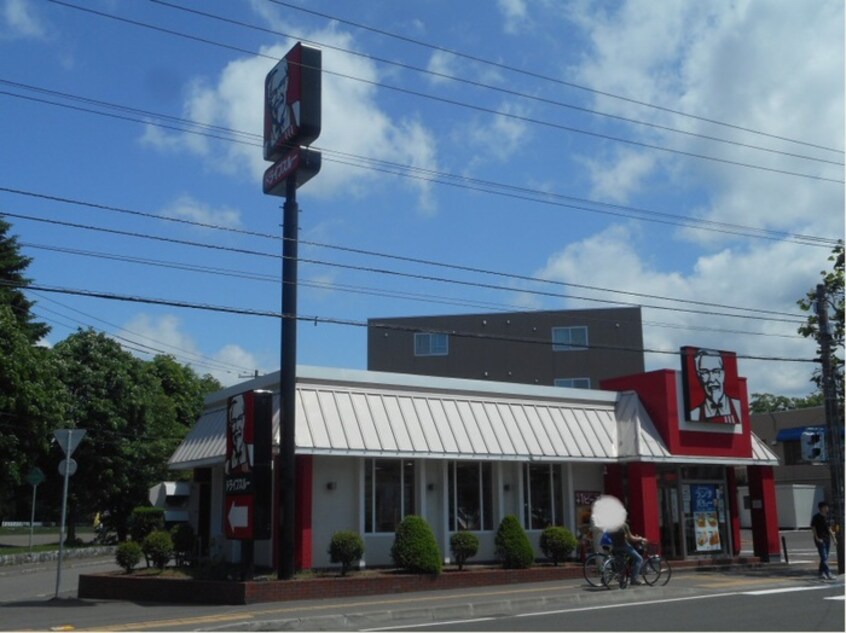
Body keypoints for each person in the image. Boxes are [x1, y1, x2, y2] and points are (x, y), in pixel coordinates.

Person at [689, 349, 741, 424]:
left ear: (723, 373)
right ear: (699, 375)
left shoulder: (738, 408)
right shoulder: (694, 415)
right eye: (705, 372)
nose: (712, 379)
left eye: (716, 371)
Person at [226, 394, 251, 475]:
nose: (237, 427)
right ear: (230, 425)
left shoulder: (251, 456)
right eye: (233, 421)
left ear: (244, 419)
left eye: (240, 418)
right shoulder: (228, 465)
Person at [811, 501, 835, 580]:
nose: (827, 508)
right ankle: (828, 573)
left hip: (827, 539)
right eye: (826, 507)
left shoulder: (827, 517)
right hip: (820, 540)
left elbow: (829, 528)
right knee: (824, 557)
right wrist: (817, 538)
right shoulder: (816, 517)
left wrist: (834, 538)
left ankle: (821, 572)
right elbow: (813, 528)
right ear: (821, 508)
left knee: (824, 557)